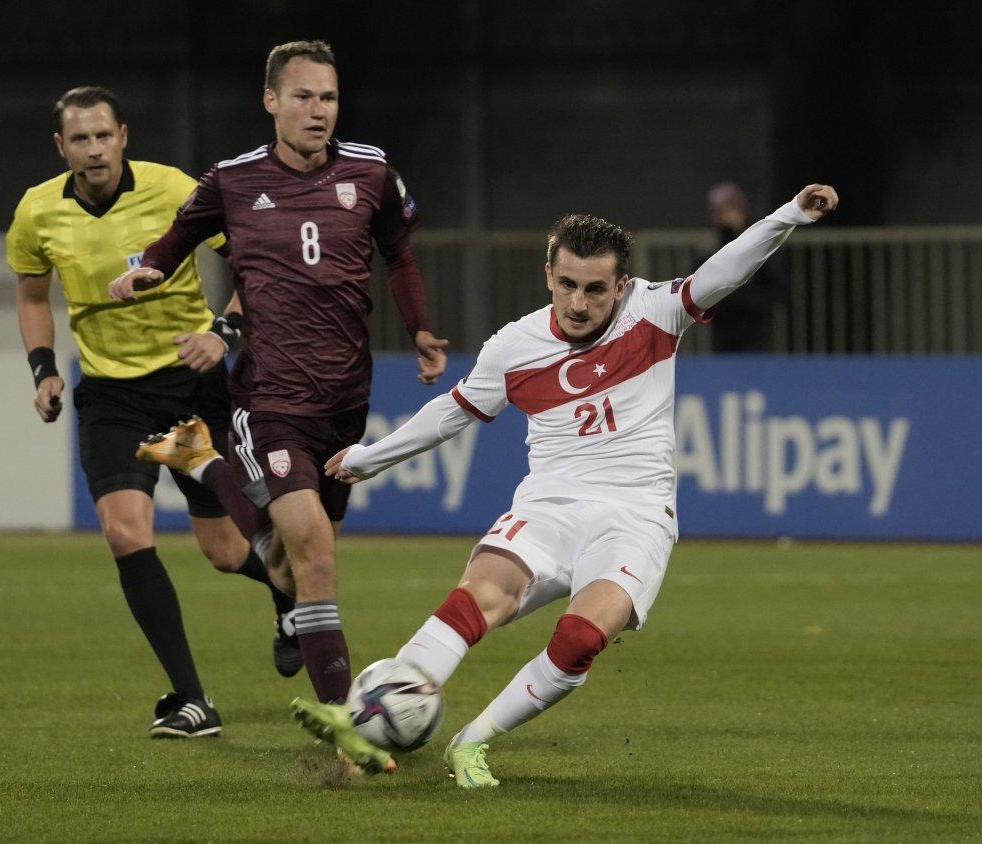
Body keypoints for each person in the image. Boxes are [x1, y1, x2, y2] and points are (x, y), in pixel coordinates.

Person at [287, 183, 840, 781]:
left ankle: (472, 741)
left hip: (635, 517)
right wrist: (372, 457)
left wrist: (789, 215)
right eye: (568, 284)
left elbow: (723, 271)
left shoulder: (655, 311)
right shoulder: (515, 345)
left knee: (579, 638)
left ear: (620, 287)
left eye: (596, 289)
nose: (579, 303)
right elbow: (452, 411)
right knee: (478, 596)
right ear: (549, 273)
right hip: (549, 506)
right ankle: (370, 719)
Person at [108, 40, 449, 764]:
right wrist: (146, 271)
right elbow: (178, 236)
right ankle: (346, 732)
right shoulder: (233, 180)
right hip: (268, 398)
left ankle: (199, 464)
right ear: (271, 102)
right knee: (318, 560)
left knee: (293, 568)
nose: (317, 111)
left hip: (346, 400)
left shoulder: (372, 170)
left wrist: (420, 327)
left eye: (327, 97)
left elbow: (401, 253)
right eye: (302, 96)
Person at [7, 86, 296, 738]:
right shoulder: (37, 212)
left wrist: (222, 333)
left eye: (103, 135)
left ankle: (287, 590)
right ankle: (194, 702)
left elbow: (255, 263)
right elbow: (31, 296)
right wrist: (44, 370)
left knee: (223, 550)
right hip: (111, 396)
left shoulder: (173, 191)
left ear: (124, 135)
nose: (94, 148)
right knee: (124, 533)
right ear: (62, 147)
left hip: (185, 391)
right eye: (79, 139)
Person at [702, 181, 791, 352]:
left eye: (731, 208)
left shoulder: (761, 240)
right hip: (724, 328)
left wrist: (754, 302)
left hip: (756, 326)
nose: (727, 215)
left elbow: (776, 284)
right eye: (720, 210)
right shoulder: (709, 248)